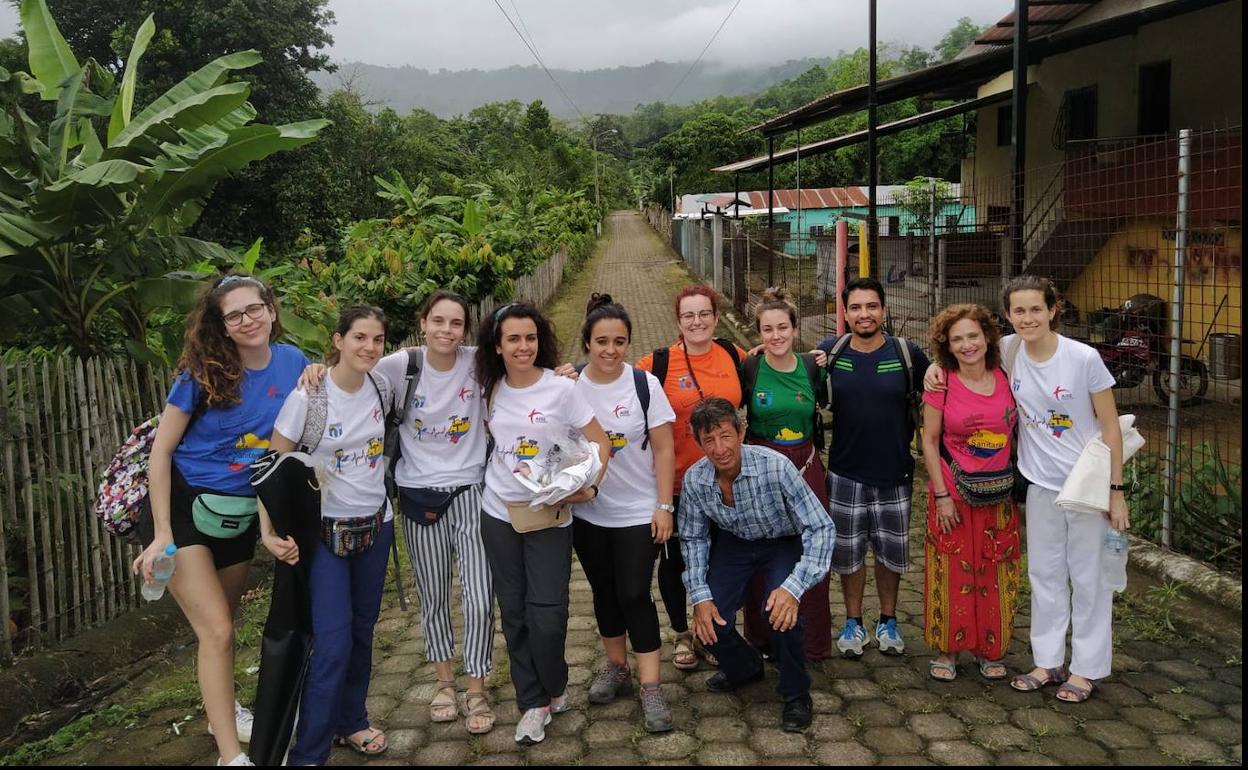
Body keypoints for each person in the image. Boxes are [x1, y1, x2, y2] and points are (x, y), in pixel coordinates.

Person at [132, 274, 309, 767]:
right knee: (217, 633)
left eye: (254, 309)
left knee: (223, 624)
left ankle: (220, 711)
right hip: (185, 508)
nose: (247, 320)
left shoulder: (295, 362)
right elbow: (161, 452)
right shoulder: (201, 371)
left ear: (271, 311)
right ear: (223, 326)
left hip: (240, 513)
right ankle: (230, 756)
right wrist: (163, 533)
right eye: (235, 315)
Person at [926, 276, 1129, 703]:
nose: (1028, 318)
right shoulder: (1011, 353)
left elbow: (1111, 427)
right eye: (1019, 311)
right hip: (1038, 485)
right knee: (1045, 576)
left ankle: (1087, 670)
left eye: (1036, 309)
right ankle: (1048, 660)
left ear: (1053, 309)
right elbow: (961, 361)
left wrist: (1116, 490)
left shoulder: (1083, 358)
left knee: (1089, 580)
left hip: (1086, 487)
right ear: (1008, 317)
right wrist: (935, 366)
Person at [475, 302, 612, 745]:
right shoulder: (487, 387)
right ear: (497, 346)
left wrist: (589, 488)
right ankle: (532, 702)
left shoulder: (561, 389)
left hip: (550, 516)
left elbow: (600, 442)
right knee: (513, 613)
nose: (523, 347)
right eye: (513, 339)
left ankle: (554, 682)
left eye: (530, 338)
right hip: (499, 513)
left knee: (548, 615)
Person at [263, 306, 395, 764]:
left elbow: (444, 350)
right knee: (333, 643)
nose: (369, 348)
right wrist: (269, 533)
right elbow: (272, 468)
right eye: (359, 337)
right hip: (323, 535)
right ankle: (309, 754)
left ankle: (352, 721)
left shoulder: (383, 384)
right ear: (338, 340)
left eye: (377, 340)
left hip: (377, 525)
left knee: (362, 632)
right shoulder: (310, 395)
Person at [374, 290, 496, 733]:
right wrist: (316, 372)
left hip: (472, 491)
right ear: (423, 323)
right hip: (418, 496)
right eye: (438, 321)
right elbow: (349, 377)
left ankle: (477, 686)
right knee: (435, 598)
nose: (447, 331)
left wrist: (567, 371)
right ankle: (445, 682)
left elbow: (527, 366)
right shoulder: (398, 366)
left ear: (466, 327)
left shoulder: (479, 361)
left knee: (481, 598)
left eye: (456, 323)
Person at [680, 398, 834, 733]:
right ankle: (746, 667)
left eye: (725, 436)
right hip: (735, 543)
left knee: (779, 613)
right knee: (710, 618)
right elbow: (692, 539)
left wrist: (793, 588)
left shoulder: (775, 466)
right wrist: (699, 596)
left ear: (741, 432)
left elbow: (821, 526)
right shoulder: (695, 480)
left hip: (782, 539)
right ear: (699, 443)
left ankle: (795, 692)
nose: (720, 448)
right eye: (709, 440)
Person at [572, 293, 678, 733]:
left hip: (638, 510)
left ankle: (651, 685)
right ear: (587, 344)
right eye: (601, 342)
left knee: (634, 592)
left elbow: (665, 446)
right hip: (588, 512)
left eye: (619, 342)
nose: (610, 350)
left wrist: (664, 504)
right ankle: (616, 666)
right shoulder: (570, 385)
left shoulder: (643, 384)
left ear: (628, 343)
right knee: (604, 591)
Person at [817, 276, 930, 658]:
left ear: (883, 309)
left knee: (889, 554)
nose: (864, 314)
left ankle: (888, 619)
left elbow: (938, 393)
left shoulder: (907, 354)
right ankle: (853, 621)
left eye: (872, 306)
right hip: (845, 474)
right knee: (848, 555)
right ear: (845, 313)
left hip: (895, 474)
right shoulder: (830, 353)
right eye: (856, 308)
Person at [635, 285, 744, 670]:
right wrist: (572, 373)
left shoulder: (734, 354)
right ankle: (682, 633)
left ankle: (711, 630)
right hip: (679, 483)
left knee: (720, 558)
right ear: (678, 322)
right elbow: (614, 377)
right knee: (676, 560)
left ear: (716, 317)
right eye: (688, 316)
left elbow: (766, 370)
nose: (697, 322)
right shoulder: (659, 363)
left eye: (703, 314)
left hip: (729, 481)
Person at [918, 304, 1021, 682]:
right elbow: (928, 441)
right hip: (953, 492)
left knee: (995, 568)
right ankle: (948, 650)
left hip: (999, 492)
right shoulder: (941, 380)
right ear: (947, 344)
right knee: (951, 569)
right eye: (957, 338)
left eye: (973, 336)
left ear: (987, 337)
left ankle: (989, 649)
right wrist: (942, 495)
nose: (966, 345)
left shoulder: (1008, 375)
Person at [740, 288, 833, 661]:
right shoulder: (749, 367)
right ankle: (762, 640)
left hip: (806, 469)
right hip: (761, 472)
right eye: (767, 329)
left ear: (795, 328)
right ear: (758, 334)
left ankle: (810, 644)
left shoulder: (813, 366)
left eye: (782, 327)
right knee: (760, 555)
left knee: (810, 551)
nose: (775, 336)